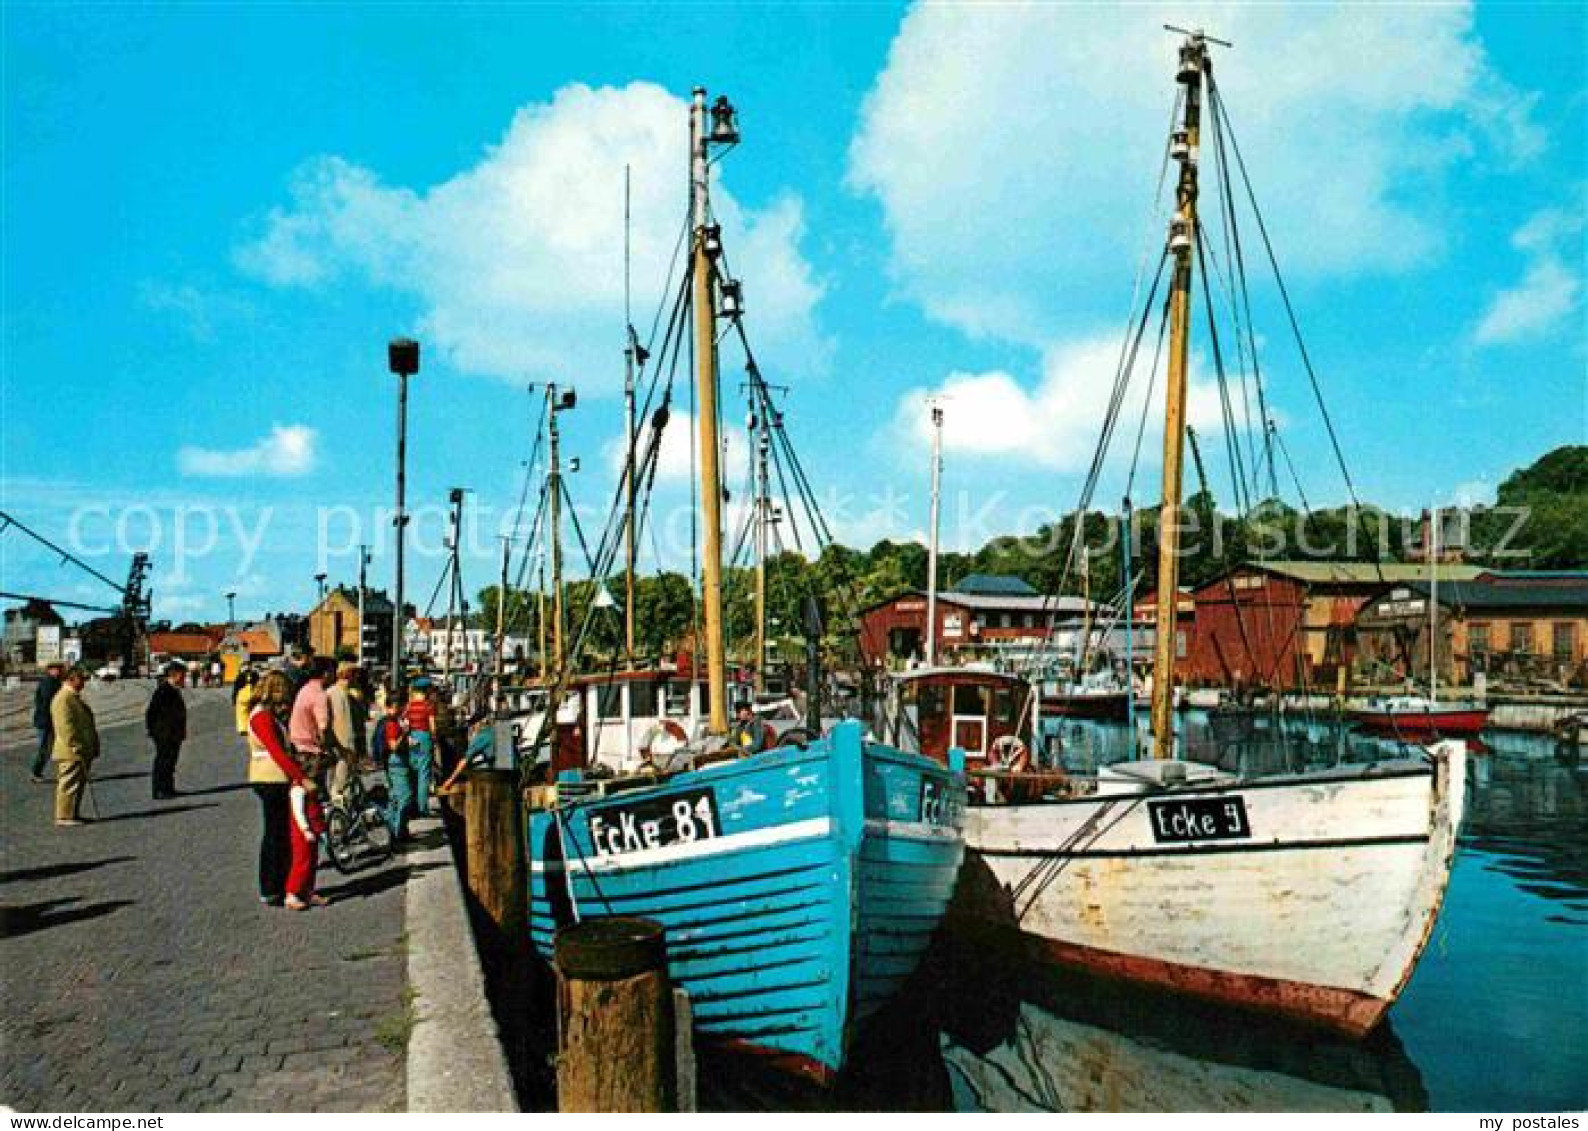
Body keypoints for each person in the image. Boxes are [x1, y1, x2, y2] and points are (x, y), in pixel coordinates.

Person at [247, 670, 311, 906]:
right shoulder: (262, 717)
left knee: (279, 833)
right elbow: (277, 752)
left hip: (271, 777)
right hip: (270, 778)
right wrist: (300, 777)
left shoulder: (264, 715)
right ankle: (271, 886)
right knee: (275, 834)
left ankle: (279, 883)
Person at [50, 665, 99, 827]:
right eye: (81, 679)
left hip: (80, 748)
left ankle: (73, 813)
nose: (84, 682)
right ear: (72, 679)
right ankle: (63, 816)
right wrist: (76, 745)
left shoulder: (73, 696)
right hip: (70, 750)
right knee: (69, 783)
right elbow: (65, 727)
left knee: (77, 783)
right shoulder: (63, 698)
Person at [286, 752, 330, 910]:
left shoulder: (307, 787)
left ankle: (308, 891)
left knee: (312, 861)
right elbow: (298, 812)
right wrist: (305, 829)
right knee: (302, 861)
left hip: (313, 828)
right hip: (303, 832)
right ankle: (292, 893)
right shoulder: (298, 790)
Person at [372, 697, 414, 840]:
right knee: (405, 797)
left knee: (396, 797)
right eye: (396, 707)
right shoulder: (391, 724)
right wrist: (405, 733)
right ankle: (396, 829)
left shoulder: (393, 722)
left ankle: (399, 830)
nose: (400, 709)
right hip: (396, 762)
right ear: (389, 707)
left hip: (395, 762)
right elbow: (393, 746)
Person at [145, 661, 189, 799]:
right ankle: (159, 790)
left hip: (173, 734)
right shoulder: (163, 691)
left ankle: (168, 788)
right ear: (175, 675)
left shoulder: (173, 690)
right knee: (163, 761)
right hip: (165, 734)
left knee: (170, 761)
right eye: (183, 676)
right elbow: (151, 713)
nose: (184, 679)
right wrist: (155, 732)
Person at [289, 657, 334, 785]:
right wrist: (329, 748)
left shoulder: (305, 689)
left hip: (296, 746)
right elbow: (323, 727)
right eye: (332, 671)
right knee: (315, 791)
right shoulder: (319, 694)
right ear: (325, 673)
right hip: (310, 751)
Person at [403, 680, 437, 817]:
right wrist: (434, 740)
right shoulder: (428, 706)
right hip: (424, 737)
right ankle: (422, 807)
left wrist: (408, 737)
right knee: (424, 774)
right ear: (426, 691)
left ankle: (411, 805)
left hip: (412, 737)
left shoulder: (409, 706)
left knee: (413, 772)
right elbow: (433, 726)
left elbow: (404, 723)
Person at [30, 660, 64, 783]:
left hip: (49, 720)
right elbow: (48, 703)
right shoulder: (48, 683)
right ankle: (35, 772)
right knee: (44, 749)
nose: (59, 671)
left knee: (51, 748)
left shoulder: (55, 682)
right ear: (49, 670)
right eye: (56, 669)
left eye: (60, 668)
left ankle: (61, 771)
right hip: (46, 721)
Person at [233, 668, 258, 738]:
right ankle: (252, 727)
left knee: (241, 713)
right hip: (252, 694)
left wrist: (234, 700)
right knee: (252, 711)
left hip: (241, 696)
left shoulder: (240, 676)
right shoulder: (254, 674)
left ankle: (243, 728)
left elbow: (236, 688)